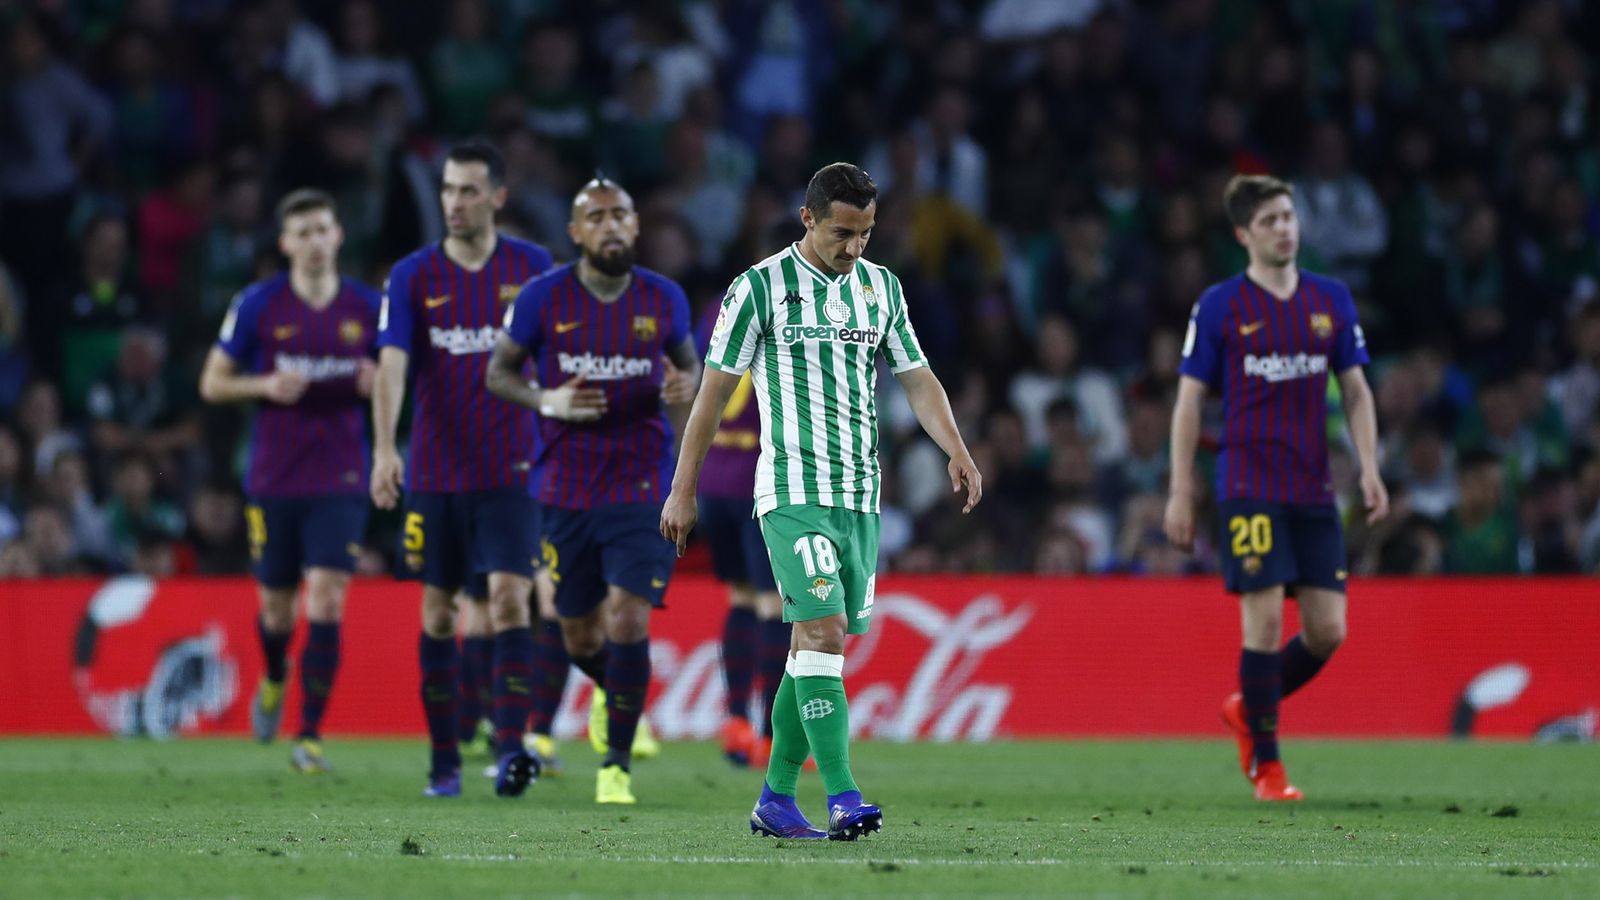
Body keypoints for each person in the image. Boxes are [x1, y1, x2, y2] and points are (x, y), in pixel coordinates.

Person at [661, 163, 983, 840]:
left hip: (859, 496)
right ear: (808, 219)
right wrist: (682, 487)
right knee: (825, 634)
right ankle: (843, 795)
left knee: (811, 653)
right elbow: (713, 394)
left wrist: (955, 446)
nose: (855, 246)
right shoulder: (760, 288)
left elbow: (917, 376)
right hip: (792, 492)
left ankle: (775, 799)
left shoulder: (881, 288)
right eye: (842, 231)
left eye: (866, 232)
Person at [1164, 174, 1388, 802]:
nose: (1284, 228)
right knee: (1261, 625)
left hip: (1314, 488)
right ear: (1244, 235)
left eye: (1289, 216)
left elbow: (1360, 392)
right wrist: (1182, 490)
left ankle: (1247, 707)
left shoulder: (1332, 300)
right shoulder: (1219, 307)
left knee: (1328, 631)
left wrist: (1369, 467)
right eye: (1270, 221)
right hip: (1247, 484)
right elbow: (1188, 403)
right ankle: (1267, 765)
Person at [487, 176, 699, 805]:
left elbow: (689, 377)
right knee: (579, 635)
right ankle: (621, 694)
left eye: (620, 215)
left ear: (635, 226)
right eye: (596, 217)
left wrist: (683, 396)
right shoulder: (541, 298)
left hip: (641, 484)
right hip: (565, 486)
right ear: (576, 233)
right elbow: (498, 373)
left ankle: (614, 769)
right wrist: (546, 398)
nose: (610, 225)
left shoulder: (664, 299)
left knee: (629, 616)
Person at [371, 141, 554, 798]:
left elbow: (558, 357)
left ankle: (510, 750)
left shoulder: (533, 269)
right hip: (435, 473)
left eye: (470, 190)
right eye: (449, 189)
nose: (456, 201)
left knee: (510, 597)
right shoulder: (412, 276)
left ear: (497, 197)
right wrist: (386, 449)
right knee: (439, 611)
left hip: (511, 470)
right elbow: (392, 364)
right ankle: (443, 759)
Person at [198, 188, 381, 773]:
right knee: (278, 610)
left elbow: (404, 381)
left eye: (322, 229)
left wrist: (382, 384)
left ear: (338, 236)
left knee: (326, 598)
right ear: (284, 244)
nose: (313, 242)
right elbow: (212, 382)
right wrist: (261, 386)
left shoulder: (368, 307)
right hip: (274, 477)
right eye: (301, 233)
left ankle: (310, 736)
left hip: (343, 476)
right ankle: (275, 675)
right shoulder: (256, 305)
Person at [693, 306, 789, 769]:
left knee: (740, 599)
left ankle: (734, 720)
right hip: (758, 477)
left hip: (714, 477)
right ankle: (770, 737)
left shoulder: (717, 311)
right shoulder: (789, 310)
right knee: (774, 605)